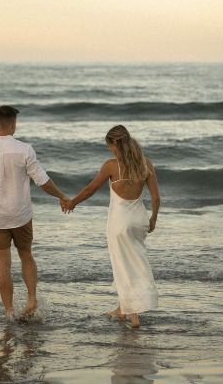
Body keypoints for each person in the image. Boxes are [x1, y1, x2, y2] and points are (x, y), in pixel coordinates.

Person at [0, 105, 68, 320]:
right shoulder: (24, 149)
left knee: (3, 264)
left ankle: (9, 312)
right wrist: (62, 196)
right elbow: (42, 181)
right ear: (13, 124)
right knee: (26, 255)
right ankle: (32, 300)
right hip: (20, 214)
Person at [63, 125, 159, 328]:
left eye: (109, 146)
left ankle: (133, 316)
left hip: (120, 222)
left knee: (123, 266)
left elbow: (90, 189)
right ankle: (121, 310)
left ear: (115, 143)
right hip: (139, 220)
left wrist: (73, 202)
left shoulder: (111, 166)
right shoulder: (146, 164)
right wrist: (153, 220)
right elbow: (156, 197)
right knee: (136, 262)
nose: (110, 150)